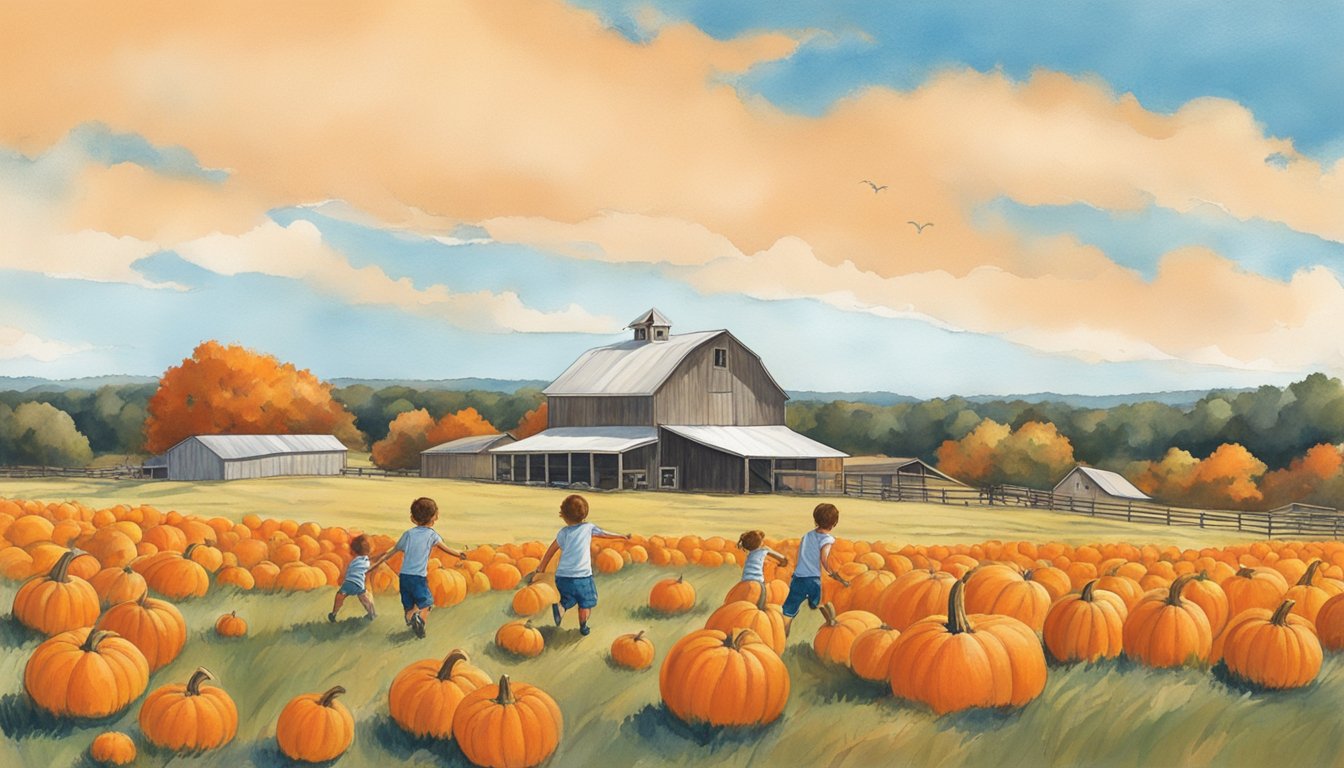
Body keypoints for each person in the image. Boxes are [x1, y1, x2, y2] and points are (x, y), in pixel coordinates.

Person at [529, 494, 630, 636]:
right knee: (585, 602)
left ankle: (561, 607)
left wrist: (541, 568)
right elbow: (604, 534)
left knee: (568, 597)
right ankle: (583, 627)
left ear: (563, 515)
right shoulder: (588, 528)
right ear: (585, 514)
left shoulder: (563, 532)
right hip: (582, 577)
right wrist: (620, 536)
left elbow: (551, 551)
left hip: (562, 577)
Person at [368, 497, 466, 639]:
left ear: (413, 518)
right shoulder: (432, 535)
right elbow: (445, 548)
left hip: (404, 577)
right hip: (418, 577)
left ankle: (412, 618)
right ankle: (418, 619)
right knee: (427, 603)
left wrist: (374, 565)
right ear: (435, 517)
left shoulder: (408, 535)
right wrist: (459, 554)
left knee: (408, 606)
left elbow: (391, 552)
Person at [781, 502, 849, 636]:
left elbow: (801, 554)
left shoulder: (807, 536)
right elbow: (824, 559)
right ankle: (832, 622)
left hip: (798, 578)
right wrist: (832, 573)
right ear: (834, 523)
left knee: (788, 613)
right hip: (812, 579)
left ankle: (783, 639)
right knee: (822, 602)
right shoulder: (827, 539)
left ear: (815, 520)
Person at [328, 534, 377, 622]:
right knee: (365, 599)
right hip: (359, 585)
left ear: (354, 550)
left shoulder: (356, 560)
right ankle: (372, 614)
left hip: (349, 583)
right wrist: (382, 557)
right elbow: (371, 562)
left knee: (340, 596)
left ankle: (334, 614)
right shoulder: (365, 561)